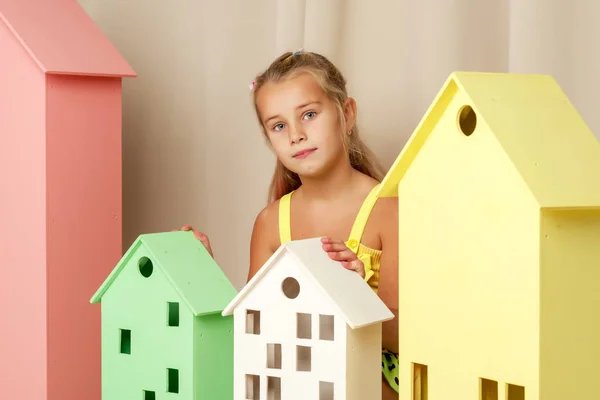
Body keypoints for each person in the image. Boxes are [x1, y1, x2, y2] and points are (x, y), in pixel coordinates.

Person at [181, 49, 399, 399]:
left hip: (372, 384)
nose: (295, 134)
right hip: (295, 382)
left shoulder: (389, 209)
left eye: (309, 114)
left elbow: (409, 335)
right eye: (279, 125)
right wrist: (201, 272)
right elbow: (256, 330)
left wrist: (355, 299)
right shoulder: (270, 223)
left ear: (347, 113)